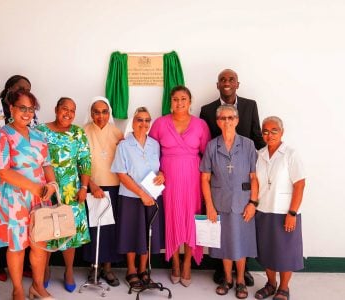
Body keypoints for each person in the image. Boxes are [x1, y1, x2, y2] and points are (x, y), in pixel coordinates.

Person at [0, 90, 56, 300]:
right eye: (22, 108)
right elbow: (1, 170)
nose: (27, 113)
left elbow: (47, 164)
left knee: (39, 245)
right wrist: (34, 188)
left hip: (39, 199)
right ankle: (17, 290)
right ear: (11, 108)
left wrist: (51, 184)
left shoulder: (39, 135)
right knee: (17, 246)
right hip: (14, 199)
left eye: (31, 109)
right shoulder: (2, 136)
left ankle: (37, 287)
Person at [200, 68, 264, 286]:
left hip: (242, 187)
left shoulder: (250, 109)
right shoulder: (207, 111)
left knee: (241, 235)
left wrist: (268, 163)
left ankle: (241, 275)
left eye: (231, 79)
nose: (227, 121)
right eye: (222, 79)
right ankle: (224, 275)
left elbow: (257, 137)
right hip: (219, 185)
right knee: (222, 235)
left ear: (238, 83)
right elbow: (205, 146)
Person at [149, 86, 210, 287]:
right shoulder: (160, 123)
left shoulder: (201, 125)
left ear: (190, 101)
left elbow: (206, 156)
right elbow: (150, 152)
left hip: (192, 177)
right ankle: (174, 262)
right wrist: (158, 172)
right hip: (168, 178)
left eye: (184, 99)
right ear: (170, 102)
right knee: (173, 218)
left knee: (191, 219)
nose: (179, 103)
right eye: (175, 99)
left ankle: (187, 264)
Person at [36, 97, 91, 292]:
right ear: (56, 109)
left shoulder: (78, 133)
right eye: (64, 109)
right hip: (47, 189)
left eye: (72, 110)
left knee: (70, 232)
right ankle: (46, 269)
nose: (68, 113)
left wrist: (84, 187)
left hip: (72, 191)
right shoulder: (40, 131)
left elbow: (85, 161)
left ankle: (69, 270)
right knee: (47, 231)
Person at [0, 75, 35, 281]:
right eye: (19, 88)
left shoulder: (30, 113)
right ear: (8, 90)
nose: (23, 91)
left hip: (22, 177)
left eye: (27, 89)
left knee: (21, 228)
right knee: (2, 222)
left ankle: (20, 265)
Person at [111, 107, 165, 289]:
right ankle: (131, 271)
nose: (143, 124)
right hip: (131, 197)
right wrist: (141, 194)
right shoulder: (124, 146)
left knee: (147, 234)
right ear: (132, 123)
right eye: (139, 120)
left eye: (147, 120)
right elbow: (121, 173)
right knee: (132, 233)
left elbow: (160, 168)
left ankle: (144, 270)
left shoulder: (155, 145)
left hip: (152, 196)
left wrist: (162, 175)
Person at [254, 116, 306, 300]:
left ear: (282, 132)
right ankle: (270, 284)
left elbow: (300, 184)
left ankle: (284, 287)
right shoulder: (259, 154)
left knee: (285, 252)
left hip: (285, 212)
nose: (269, 135)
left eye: (274, 130)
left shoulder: (290, 154)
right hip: (264, 210)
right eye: (265, 131)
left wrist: (292, 213)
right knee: (267, 250)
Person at [82, 96, 124, 287]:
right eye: (96, 112)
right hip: (92, 187)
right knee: (94, 229)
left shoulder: (118, 133)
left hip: (113, 187)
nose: (100, 116)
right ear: (91, 114)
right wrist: (91, 184)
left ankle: (107, 268)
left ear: (110, 113)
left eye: (104, 112)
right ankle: (94, 267)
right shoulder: (83, 132)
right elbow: (79, 162)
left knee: (109, 229)